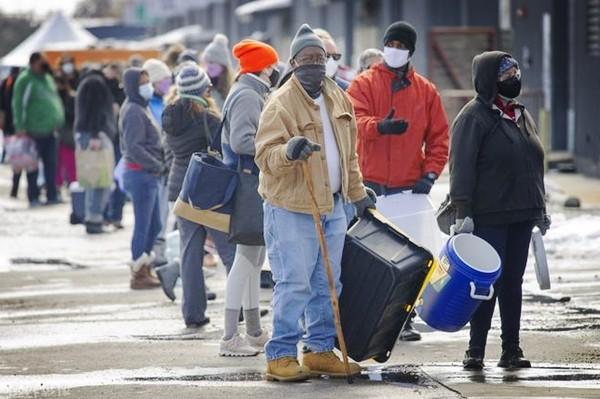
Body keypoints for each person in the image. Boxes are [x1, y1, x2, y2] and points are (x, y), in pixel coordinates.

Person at [255, 24, 375, 382]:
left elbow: (348, 154)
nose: (314, 65)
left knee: (329, 282)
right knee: (294, 282)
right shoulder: (280, 103)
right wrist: (288, 151)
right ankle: (280, 355)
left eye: (319, 59)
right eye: (307, 59)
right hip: (292, 206)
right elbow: (264, 156)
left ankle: (320, 349)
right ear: (293, 63)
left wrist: (357, 194)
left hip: (333, 205)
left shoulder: (338, 96)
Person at [347, 21, 449, 342]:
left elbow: (439, 138)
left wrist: (430, 174)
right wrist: (380, 127)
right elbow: (353, 121)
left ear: (410, 51)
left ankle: (405, 317)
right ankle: (369, 315)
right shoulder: (363, 83)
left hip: (409, 189)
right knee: (371, 258)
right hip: (371, 188)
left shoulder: (426, 91)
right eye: (391, 43)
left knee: (413, 258)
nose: (395, 49)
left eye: (402, 46)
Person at [450, 51, 551, 371]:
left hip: (521, 213)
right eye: (507, 75)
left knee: (513, 283)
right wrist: (462, 211)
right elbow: (461, 168)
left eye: (516, 72)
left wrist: (540, 208)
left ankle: (511, 349)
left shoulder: (520, 113)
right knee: (486, 285)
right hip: (489, 215)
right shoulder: (473, 117)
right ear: (488, 79)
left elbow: (534, 163)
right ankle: (475, 350)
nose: (515, 79)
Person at [158, 63, 235, 328]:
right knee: (229, 252)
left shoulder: (169, 115)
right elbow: (225, 152)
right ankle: (239, 308)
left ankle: (192, 313)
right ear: (203, 89)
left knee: (190, 253)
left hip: (181, 189)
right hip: (209, 190)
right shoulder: (208, 118)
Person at [218, 39, 280, 357]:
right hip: (248, 184)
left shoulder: (248, 91)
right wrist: (274, 149)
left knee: (254, 260)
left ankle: (254, 330)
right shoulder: (247, 95)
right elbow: (243, 142)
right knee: (245, 260)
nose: (275, 70)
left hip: (250, 183)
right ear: (262, 67)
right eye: (271, 64)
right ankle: (230, 337)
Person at [119, 67, 163, 290]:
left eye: (148, 81)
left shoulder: (139, 107)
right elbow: (134, 147)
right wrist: (157, 165)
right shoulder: (134, 110)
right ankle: (138, 271)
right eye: (143, 82)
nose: (148, 86)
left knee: (154, 225)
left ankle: (145, 265)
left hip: (147, 174)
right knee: (144, 225)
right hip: (141, 174)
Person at [12, 52, 65, 207]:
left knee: (51, 165)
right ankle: (33, 197)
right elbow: (18, 104)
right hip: (33, 130)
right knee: (32, 166)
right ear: (34, 63)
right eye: (42, 62)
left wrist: (58, 119)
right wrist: (20, 126)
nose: (45, 65)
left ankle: (51, 195)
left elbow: (55, 100)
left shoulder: (47, 79)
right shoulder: (25, 80)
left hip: (51, 130)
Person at [74, 73, 116, 234]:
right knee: (100, 179)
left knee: (92, 179)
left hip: (86, 134)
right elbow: (95, 110)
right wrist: (95, 133)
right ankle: (95, 219)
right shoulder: (95, 84)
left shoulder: (85, 83)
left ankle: (92, 217)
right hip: (96, 135)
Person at [142, 58, 173, 265]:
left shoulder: (164, 101)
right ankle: (151, 253)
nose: (168, 84)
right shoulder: (146, 105)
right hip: (152, 166)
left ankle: (158, 251)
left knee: (164, 210)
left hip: (164, 164)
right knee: (153, 212)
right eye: (164, 80)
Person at [0, 67, 21, 198]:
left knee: (17, 158)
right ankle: (15, 186)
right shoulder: (5, 84)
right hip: (12, 127)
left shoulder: (9, 83)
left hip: (14, 127)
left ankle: (15, 187)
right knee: (17, 158)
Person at [55, 76, 77, 195]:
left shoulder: (72, 98)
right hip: (58, 135)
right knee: (57, 164)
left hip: (68, 136)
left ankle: (73, 187)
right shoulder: (53, 98)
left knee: (70, 163)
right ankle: (57, 187)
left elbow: (74, 116)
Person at [201, 33, 233, 110]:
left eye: (213, 62)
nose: (209, 66)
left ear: (223, 66)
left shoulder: (231, 87)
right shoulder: (202, 84)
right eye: (207, 62)